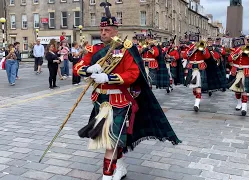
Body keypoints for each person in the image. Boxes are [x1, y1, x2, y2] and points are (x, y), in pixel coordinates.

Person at [73, 3, 181, 180]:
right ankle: (120, 167)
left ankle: (106, 177)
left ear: (116, 30)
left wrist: (108, 78)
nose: (103, 33)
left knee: (111, 141)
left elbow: (133, 74)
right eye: (102, 30)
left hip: (120, 99)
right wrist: (88, 70)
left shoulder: (125, 49)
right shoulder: (95, 50)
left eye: (107, 29)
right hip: (101, 100)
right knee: (110, 140)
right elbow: (78, 67)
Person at [228, 39, 249, 116]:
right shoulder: (235, 50)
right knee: (237, 90)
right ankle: (239, 103)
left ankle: (244, 107)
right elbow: (229, 59)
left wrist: (248, 52)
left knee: (244, 90)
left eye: (245, 41)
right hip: (236, 70)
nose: (244, 43)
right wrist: (238, 51)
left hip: (246, 71)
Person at [183, 39, 211, 112]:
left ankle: (196, 104)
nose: (195, 43)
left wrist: (203, 50)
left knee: (198, 87)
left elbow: (207, 57)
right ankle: (197, 99)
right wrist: (192, 49)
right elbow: (185, 56)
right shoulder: (191, 47)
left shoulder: (203, 47)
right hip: (192, 68)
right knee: (194, 88)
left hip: (200, 68)